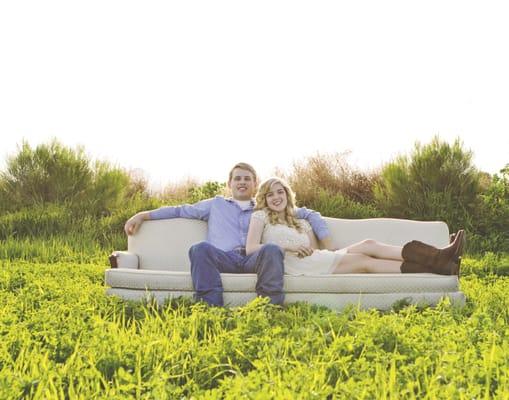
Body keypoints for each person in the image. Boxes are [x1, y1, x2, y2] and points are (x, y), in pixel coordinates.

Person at [124, 163, 331, 306]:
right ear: (229, 183)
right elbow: (180, 210)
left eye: (247, 179)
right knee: (200, 249)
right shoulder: (215, 204)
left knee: (271, 249)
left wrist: (325, 240)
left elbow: (305, 212)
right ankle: (210, 307)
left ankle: (270, 307)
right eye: (238, 178)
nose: (242, 182)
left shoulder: (264, 207)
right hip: (223, 258)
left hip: (253, 258)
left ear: (254, 184)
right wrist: (143, 215)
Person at [246, 177, 465, 276]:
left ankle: (439, 259)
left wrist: (317, 244)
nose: (276, 197)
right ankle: (439, 264)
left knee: (368, 244)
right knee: (364, 262)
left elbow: (315, 250)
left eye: (280, 191)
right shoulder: (261, 217)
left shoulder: (300, 221)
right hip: (295, 267)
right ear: (264, 199)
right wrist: (287, 248)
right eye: (270, 194)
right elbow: (251, 249)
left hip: (315, 259)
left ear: (287, 194)